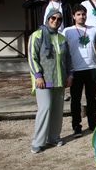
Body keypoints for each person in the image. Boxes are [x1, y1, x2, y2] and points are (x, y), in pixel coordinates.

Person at [27, 9, 72, 154]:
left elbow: (68, 59)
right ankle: (38, 142)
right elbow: (32, 57)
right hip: (44, 80)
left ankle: (53, 137)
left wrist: (70, 75)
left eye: (59, 19)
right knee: (45, 109)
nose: (56, 21)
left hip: (59, 80)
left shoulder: (61, 38)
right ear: (47, 18)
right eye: (53, 18)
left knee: (58, 111)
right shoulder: (37, 35)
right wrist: (38, 76)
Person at [63, 4, 96, 136]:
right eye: (78, 14)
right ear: (73, 16)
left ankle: (92, 123)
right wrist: (67, 71)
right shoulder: (67, 31)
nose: (81, 17)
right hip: (75, 70)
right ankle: (76, 126)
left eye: (83, 14)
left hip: (92, 68)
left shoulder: (93, 29)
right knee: (76, 99)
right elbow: (64, 52)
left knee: (91, 98)